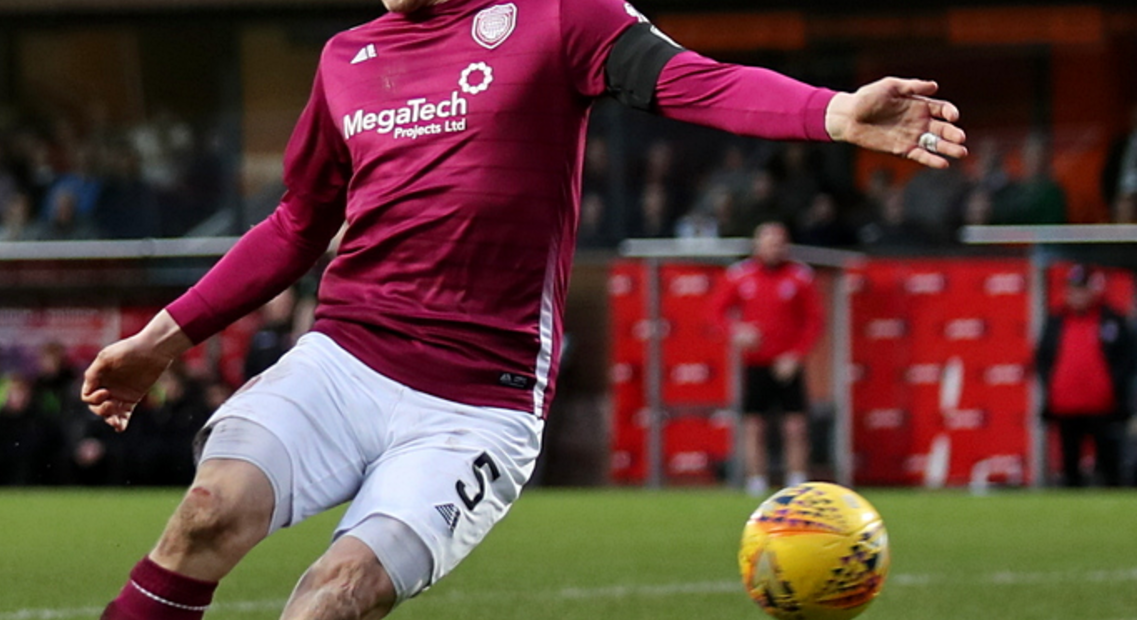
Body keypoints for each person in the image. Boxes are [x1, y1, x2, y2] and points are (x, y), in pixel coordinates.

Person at [79, 0, 966, 617]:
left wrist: (834, 110)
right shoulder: (345, 58)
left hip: (479, 405)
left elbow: (697, 81)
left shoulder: (557, 15)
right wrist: (162, 338)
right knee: (206, 515)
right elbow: (298, 223)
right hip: (344, 360)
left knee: (335, 598)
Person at [711, 223, 824, 495]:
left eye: (778, 242)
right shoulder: (740, 275)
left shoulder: (799, 276)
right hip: (755, 362)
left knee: (795, 425)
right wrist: (736, 331)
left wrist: (796, 355)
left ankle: (797, 481)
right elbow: (716, 312)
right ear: (757, 245)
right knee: (754, 425)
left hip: (787, 363)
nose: (774, 247)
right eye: (768, 242)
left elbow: (814, 321)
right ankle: (756, 481)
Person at [1034, 264, 1132, 488]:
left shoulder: (1111, 320)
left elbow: (1125, 360)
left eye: (1082, 289)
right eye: (1073, 289)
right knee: (1069, 468)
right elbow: (1044, 359)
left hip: (1104, 407)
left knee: (1109, 466)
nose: (1077, 295)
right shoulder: (1056, 321)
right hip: (1066, 406)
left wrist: (1113, 390)